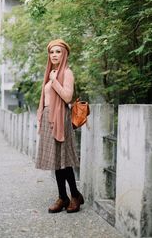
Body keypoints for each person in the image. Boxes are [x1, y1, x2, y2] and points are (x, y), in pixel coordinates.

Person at [36, 38, 84, 213]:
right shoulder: (50, 73)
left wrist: (55, 81)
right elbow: (45, 98)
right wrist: (40, 114)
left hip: (61, 117)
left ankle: (75, 195)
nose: (54, 55)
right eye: (52, 52)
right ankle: (62, 197)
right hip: (49, 116)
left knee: (64, 160)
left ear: (64, 54)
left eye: (58, 52)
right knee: (57, 161)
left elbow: (67, 97)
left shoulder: (66, 73)